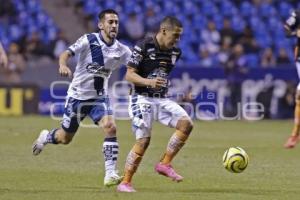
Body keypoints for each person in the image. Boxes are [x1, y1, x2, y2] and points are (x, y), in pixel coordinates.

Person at [32, 9, 132, 186]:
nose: (114, 25)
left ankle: (110, 174)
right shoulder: (88, 40)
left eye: (116, 22)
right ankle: (46, 137)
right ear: (101, 25)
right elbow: (66, 53)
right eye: (110, 22)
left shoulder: (122, 50)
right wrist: (63, 65)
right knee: (65, 139)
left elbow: (134, 67)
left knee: (110, 127)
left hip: (99, 98)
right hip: (77, 97)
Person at [117, 16, 193, 192]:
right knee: (143, 141)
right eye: (175, 35)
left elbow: (161, 76)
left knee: (186, 124)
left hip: (161, 99)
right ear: (164, 31)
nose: (177, 39)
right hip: (140, 97)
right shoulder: (143, 46)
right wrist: (149, 82)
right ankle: (125, 183)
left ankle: (164, 164)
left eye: (180, 36)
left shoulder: (175, 53)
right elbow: (129, 75)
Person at [283, 9, 300, 148]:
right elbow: (287, 29)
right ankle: (294, 135)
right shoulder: (298, 14)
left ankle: (294, 135)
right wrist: (296, 32)